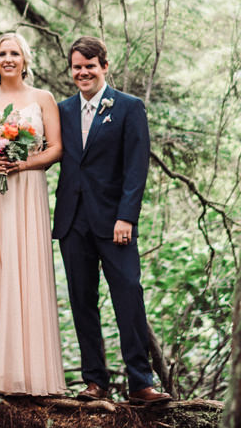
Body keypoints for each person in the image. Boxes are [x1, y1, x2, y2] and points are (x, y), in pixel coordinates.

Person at [53, 37, 168, 406]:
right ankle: (94, 382)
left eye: (90, 65)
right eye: (77, 67)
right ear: (70, 70)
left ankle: (140, 383)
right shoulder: (62, 111)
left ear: (104, 66)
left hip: (115, 223)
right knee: (82, 302)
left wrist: (126, 217)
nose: (83, 72)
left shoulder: (128, 108)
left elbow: (136, 167)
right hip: (73, 222)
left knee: (128, 297)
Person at [0, 31, 66, 396]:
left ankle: (31, 373)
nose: (8, 59)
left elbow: (56, 149)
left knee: (26, 269)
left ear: (25, 60)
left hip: (26, 188)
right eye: (2, 53)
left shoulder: (42, 98)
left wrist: (23, 164)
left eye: (14, 53)